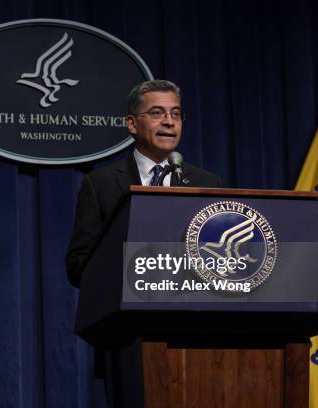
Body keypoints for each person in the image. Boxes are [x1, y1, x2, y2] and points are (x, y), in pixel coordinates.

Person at [66, 79, 222, 288]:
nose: (169, 121)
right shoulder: (100, 184)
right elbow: (77, 267)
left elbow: (220, 257)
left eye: (175, 114)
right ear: (132, 124)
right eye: (157, 113)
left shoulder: (208, 183)